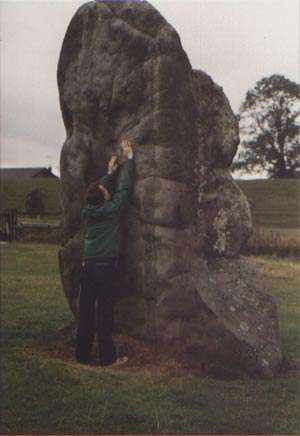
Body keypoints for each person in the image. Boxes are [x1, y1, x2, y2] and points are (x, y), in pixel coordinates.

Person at [76, 139, 135, 366]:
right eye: (104, 190)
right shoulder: (112, 211)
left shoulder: (88, 212)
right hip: (106, 267)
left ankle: (81, 355)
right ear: (105, 198)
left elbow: (100, 194)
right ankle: (108, 358)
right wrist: (129, 160)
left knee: (86, 312)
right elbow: (124, 188)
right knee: (104, 313)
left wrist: (108, 173)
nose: (106, 190)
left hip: (88, 266)